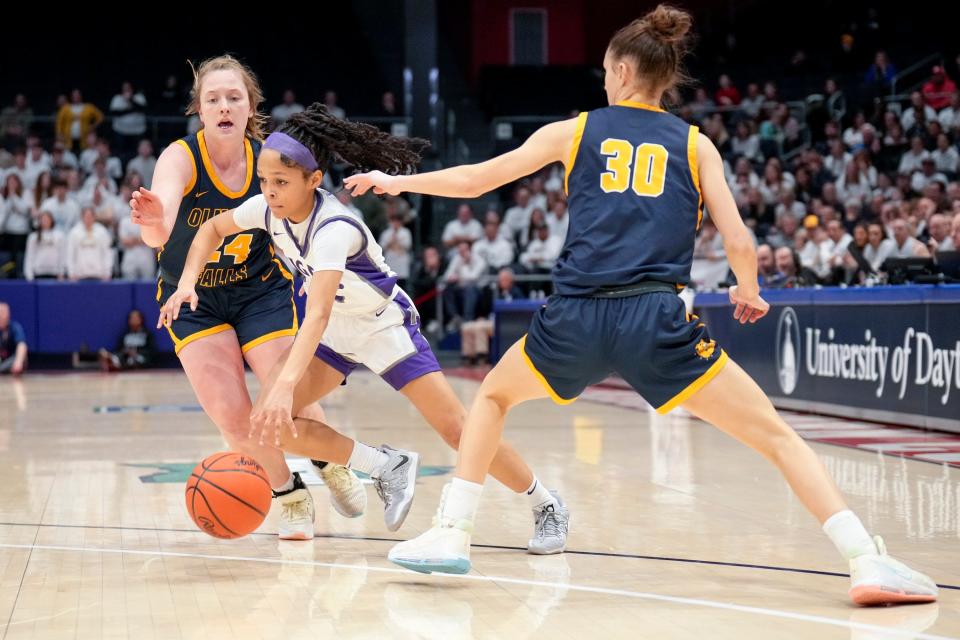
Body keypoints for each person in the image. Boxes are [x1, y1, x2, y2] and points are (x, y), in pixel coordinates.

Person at [346, 5, 938, 605]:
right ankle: (865, 559)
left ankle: (453, 532)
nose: (604, 80)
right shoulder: (695, 144)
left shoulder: (575, 131)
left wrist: (396, 183)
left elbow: (475, 180)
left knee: (493, 399)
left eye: (607, 70)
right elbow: (737, 236)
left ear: (625, 71)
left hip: (575, 315)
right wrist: (749, 288)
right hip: (656, 319)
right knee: (778, 438)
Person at [159, 103, 571, 552]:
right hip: (337, 332)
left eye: (280, 182)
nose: (269, 191)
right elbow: (210, 230)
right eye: (263, 181)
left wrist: (283, 384)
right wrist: (186, 283)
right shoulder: (266, 210)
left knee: (458, 429)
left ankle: (545, 504)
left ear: (314, 181)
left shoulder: (334, 228)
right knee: (266, 425)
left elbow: (313, 315)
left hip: (382, 327)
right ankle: (384, 466)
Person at [129, 55, 364, 540]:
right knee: (233, 415)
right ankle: (289, 495)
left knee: (286, 396)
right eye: (213, 98)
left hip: (261, 290)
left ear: (251, 105)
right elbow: (160, 233)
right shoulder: (179, 157)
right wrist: (153, 218)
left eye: (234, 97)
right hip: (192, 297)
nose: (224, 106)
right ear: (198, 108)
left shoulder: (270, 157)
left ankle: (331, 459)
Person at [0, 302, 27, 375]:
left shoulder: (15, 327)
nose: (3, 316)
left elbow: (22, 344)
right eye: (1, 313)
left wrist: (18, 361)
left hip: (12, 359)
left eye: (5, 313)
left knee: (20, 357)